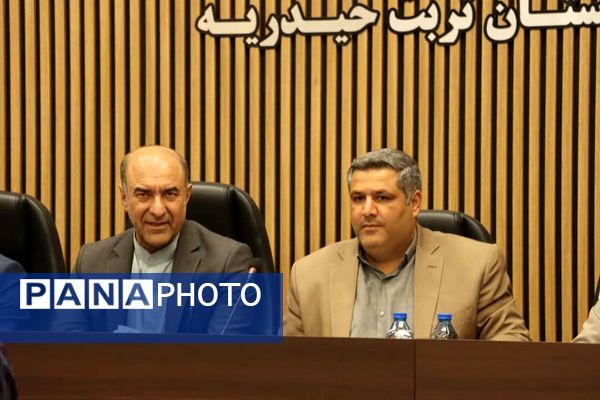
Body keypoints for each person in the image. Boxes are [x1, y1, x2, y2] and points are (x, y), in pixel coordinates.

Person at [285, 148, 530, 340]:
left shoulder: (476, 265)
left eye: (382, 197)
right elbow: (284, 366)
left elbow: (511, 346)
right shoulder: (308, 275)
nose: (367, 210)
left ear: (414, 203)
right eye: (358, 198)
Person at [61, 145, 256, 334]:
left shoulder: (228, 264)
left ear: (187, 196)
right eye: (143, 194)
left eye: (170, 194)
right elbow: (65, 344)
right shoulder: (90, 261)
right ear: (124, 198)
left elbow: (220, 352)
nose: (157, 210)